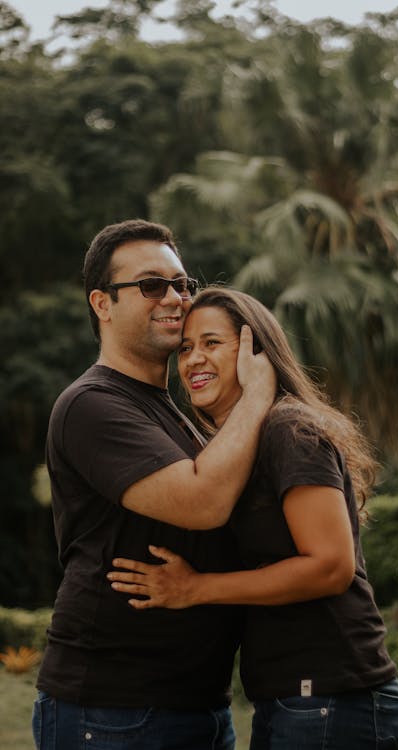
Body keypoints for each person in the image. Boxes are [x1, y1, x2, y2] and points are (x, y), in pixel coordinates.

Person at [107, 287, 398, 750]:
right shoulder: (238, 447)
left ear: (254, 352)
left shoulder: (289, 430)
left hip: (329, 693)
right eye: (185, 348)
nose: (193, 360)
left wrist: (195, 588)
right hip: (293, 697)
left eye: (212, 343)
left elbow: (331, 566)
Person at [33, 221, 276, 750]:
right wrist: (260, 394)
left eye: (181, 284)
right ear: (102, 303)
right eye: (151, 285)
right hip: (113, 710)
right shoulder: (92, 405)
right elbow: (204, 501)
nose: (175, 298)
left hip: (197, 705)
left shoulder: (174, 412)